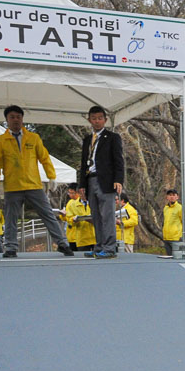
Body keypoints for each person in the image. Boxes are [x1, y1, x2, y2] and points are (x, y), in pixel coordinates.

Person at [0, 105, 72, 258]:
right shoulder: (0, 140)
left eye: (18, 117)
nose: (16, 120)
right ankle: (11, 247)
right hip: (12, 186)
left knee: (47, 213)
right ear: (7, 120)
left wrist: (51, 176)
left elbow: (44, 157)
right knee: (10, 217)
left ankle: (62, 243)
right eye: (12, 117)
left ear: (22, 119)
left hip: (33, 184)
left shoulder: (33, 138)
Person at [80, 105, 125, 260]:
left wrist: (118, 179)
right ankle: (99, 246)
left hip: (106, 181)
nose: (97, 121)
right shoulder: (87, 140)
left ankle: (109, 247)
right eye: (94, 118)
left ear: (105, 120)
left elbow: (119, 161)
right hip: (90, 179)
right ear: (89, 120)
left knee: (107, 215)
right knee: (96, 216)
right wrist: (81, 185)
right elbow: (82, 164)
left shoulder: (112, 138)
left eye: (100, 118)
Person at [65, 184, 95, 253]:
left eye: (84, 192)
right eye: (80, 192)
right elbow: (69, 218)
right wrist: (73, 220)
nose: (82, 194)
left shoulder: (95, 202)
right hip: (82, 238)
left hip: (96, 237)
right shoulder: (72, 204)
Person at [162, 189, 183, 255]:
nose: (172, 197)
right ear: (167, 197)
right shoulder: (166, 208)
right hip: (166, 237)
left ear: (177, 197)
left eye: (174, 195)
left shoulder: (180, 208)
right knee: (169, 257)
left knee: (176, 257)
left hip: (176, 238)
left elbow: (183, 221)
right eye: (170, 195)